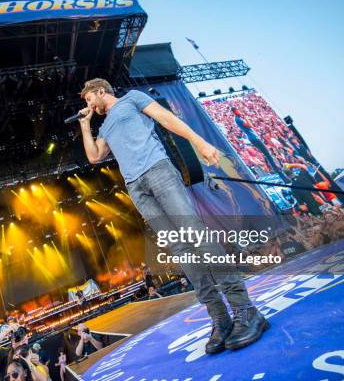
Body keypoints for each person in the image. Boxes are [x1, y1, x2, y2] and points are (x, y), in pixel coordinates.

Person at [77, 79, 269, 354]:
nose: (89, 105)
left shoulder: (132, 98)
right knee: (179, 248)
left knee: (196, 236)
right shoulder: (105, 126)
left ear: (99, 91)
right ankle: (220, 318)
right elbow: (95, 156)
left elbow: (166, 118)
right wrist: (85, 125)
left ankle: (245, 310)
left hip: (158, 171)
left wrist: (199, 141)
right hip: (137, 187)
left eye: (88, 100)